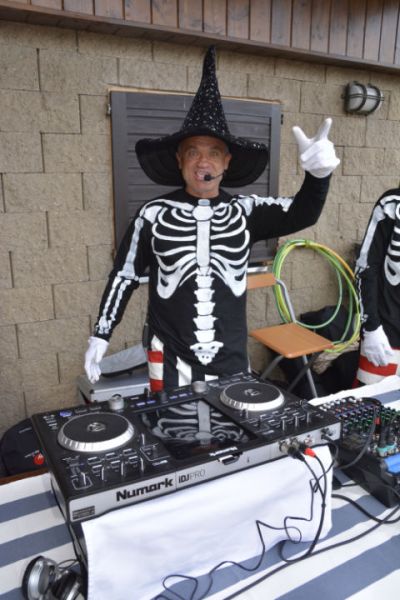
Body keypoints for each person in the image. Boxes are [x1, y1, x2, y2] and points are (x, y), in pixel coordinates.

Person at [84, 46, 340, 391]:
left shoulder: (246, 211)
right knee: (169, 424)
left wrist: (318, 176)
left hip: (229, 357)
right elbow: (124, 275)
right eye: (193, 152)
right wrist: (101, 333)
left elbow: (303, 211)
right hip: (168, 357)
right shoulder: (153, 214)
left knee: (231, 423)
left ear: (226, 162)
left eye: (213, 152)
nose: (203, 162)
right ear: (179, 160)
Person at [355, 187, 400, 385]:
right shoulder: (392, 203)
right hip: (386, 334)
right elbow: (366, 266)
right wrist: (371, 326)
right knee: (372, 401)